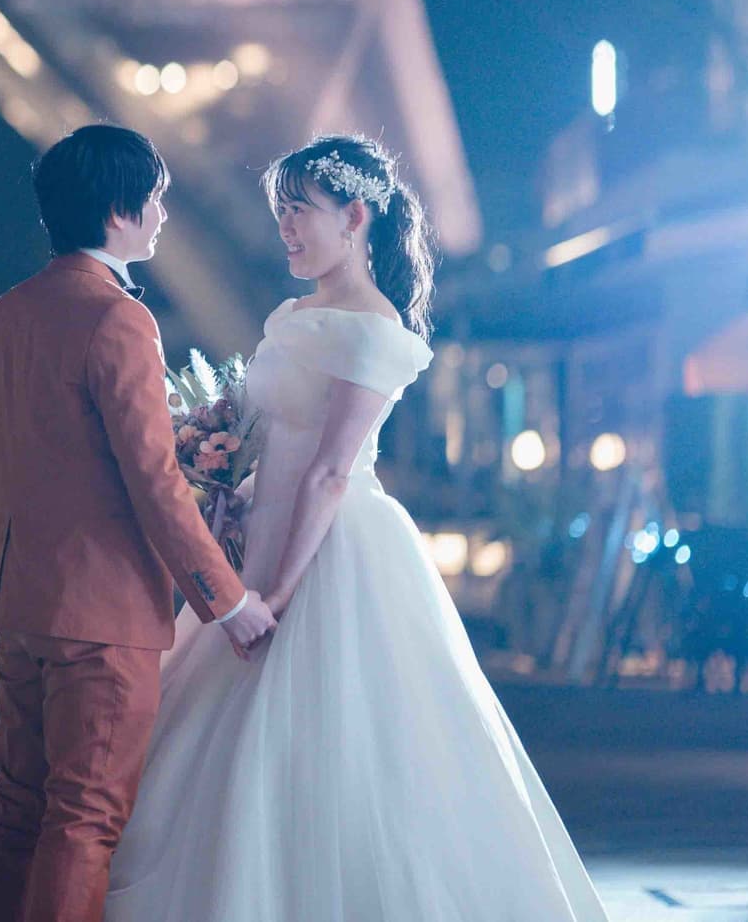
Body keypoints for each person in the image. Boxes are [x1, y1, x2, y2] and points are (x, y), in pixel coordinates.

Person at [108, 134, 608, 920]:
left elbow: (331, 472)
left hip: (332, 550)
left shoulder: (375, 329)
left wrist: (273, 590)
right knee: (217, 742)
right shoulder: (296, 315)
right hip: (266, 538)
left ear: (356, 216)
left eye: (300, 212)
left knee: (328, 743)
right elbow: (271, 441)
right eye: (281, 214)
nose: (287, 230)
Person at [0, 124, 277, 921]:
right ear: (118, 209)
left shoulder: (7, 313)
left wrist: (11, 570)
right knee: (86, 817)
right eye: (158, 197)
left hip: (24, 605)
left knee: (14, 806)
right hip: (104, 618)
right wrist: (228, 600)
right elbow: (155, 481)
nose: (165, 213)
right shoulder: (119, 319)